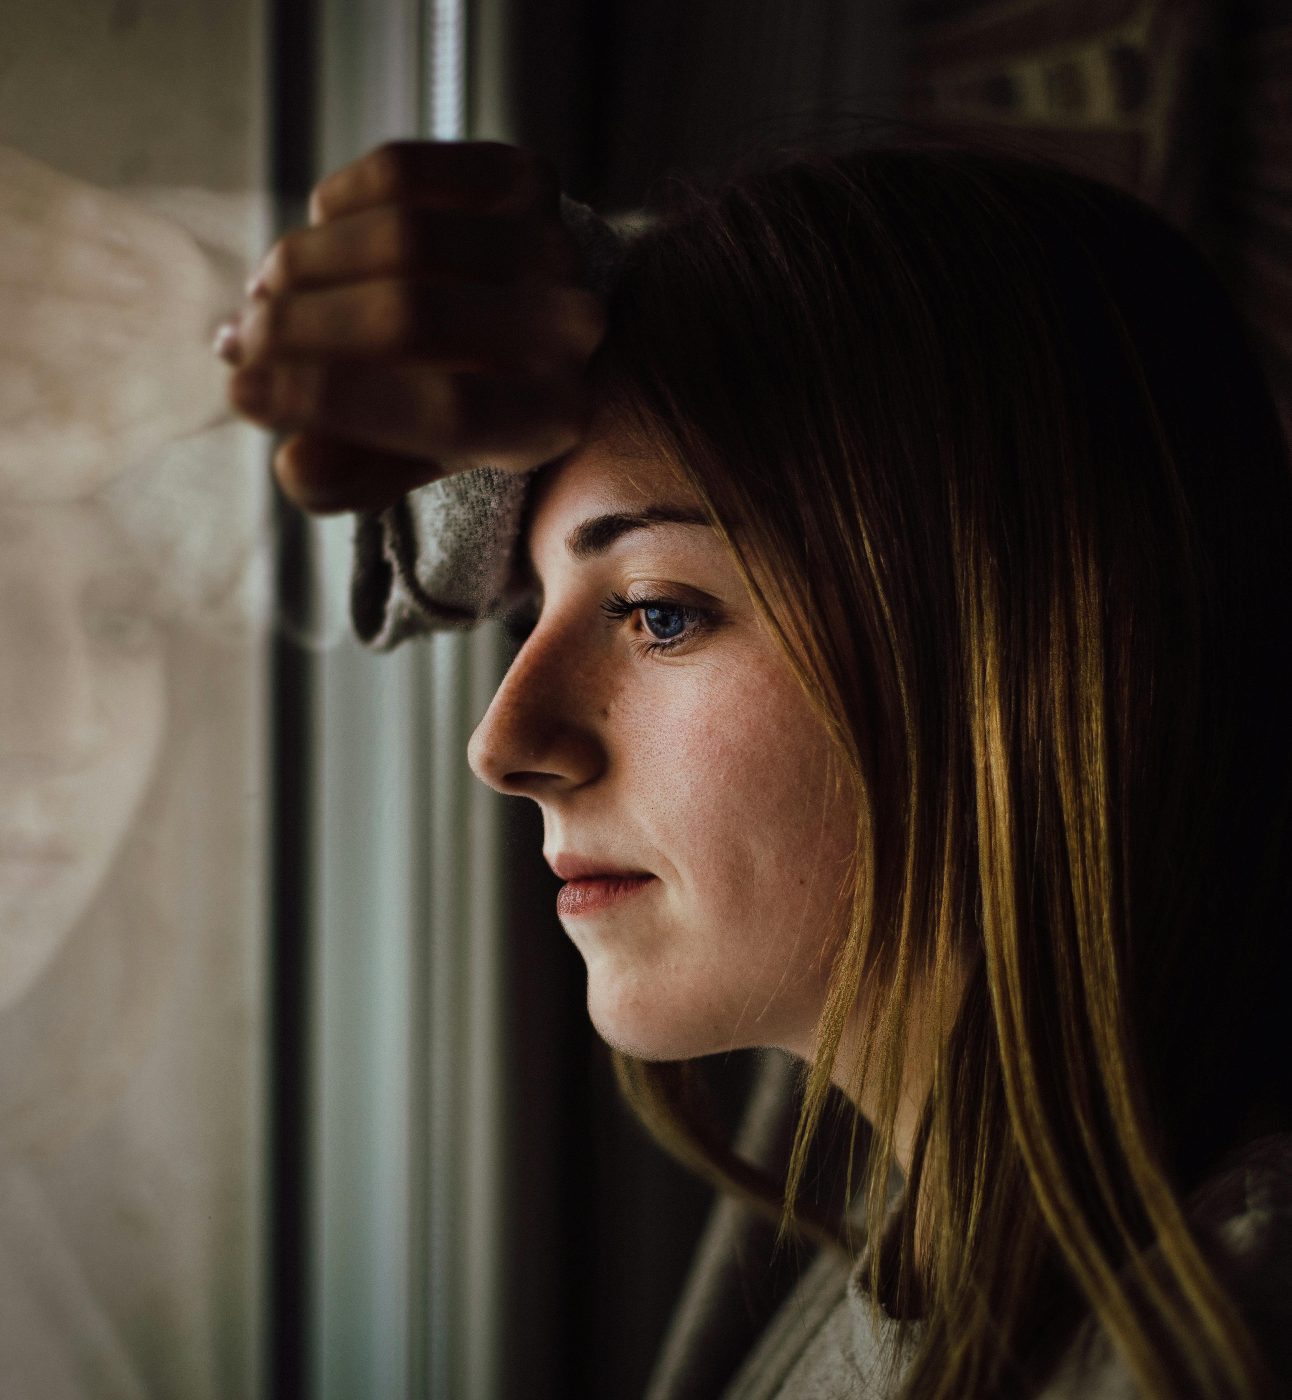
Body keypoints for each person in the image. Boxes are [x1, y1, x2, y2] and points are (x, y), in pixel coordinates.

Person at [218, 136, 1292, 1398]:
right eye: (535, 612)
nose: (503, 745)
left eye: (659, 611)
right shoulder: (923, 1198)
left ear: (1026, 640)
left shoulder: (1210, 1333)